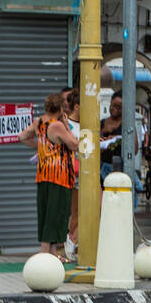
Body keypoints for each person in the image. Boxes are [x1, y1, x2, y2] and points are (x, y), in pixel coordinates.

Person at [18, 92, 79, 257]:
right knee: (55, 215)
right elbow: (74, 145)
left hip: (43, 175)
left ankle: (51, 255)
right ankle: (44, 254)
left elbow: (22, 136)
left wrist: (39, 147)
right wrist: (66, 125)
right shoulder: (57, 126)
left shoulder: (39, 122)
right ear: (60, 109)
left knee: (46, 214)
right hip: (59, 176)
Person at [62, 88, 81, 260]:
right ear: (77, 106)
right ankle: (71, 243)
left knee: (96, 207)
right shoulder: (68, 125)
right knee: (76, 212)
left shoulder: (88, 124)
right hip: (75, 173)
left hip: (87, 172)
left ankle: (73, 242)